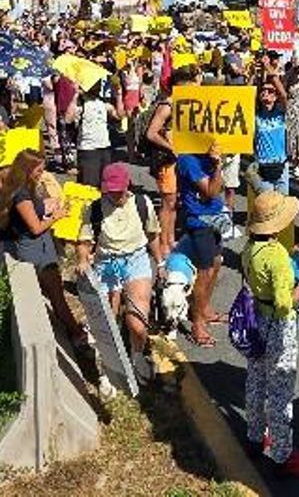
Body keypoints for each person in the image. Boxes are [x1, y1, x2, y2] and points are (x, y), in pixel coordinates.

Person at [242, 191, 299, 478]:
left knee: (256, 379)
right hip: (278, 324)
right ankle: (283, 454)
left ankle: (253, 435)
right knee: (280, 389)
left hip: (258, 319)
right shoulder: (276, 257)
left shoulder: (251, 248)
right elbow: (286, 302)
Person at [0, 149, 89, 350]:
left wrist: (46, 205)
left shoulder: (16, 186)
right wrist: (56, 217)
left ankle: (70, 329)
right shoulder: (22, 195)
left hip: (33, 248)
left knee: (51, 292)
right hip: (37, 250)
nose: (42, 174)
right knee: (57, 296)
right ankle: (76, 334)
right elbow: (35, 228)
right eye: (39, 170)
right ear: (27, 169)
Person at [76, 163, 161, 374]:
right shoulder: (94, 209)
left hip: (136, 261)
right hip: (106, 263)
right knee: (106, 320)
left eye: (117, 190)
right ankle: (108, 365)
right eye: (109, 191)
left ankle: (138, 354)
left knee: (138, 323)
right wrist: (82, 259)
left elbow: (153, 235)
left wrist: (160, 262)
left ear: (127, 185)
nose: (113, 195)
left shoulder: (143, 204)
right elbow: (84, 241)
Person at [177, 139, 228, 347]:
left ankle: (205, 309)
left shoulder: (207, 155)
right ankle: (197, 324)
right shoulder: (187, 159)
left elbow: (221, 187)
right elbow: (211, 191)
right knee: (204, 271)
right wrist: (217, 166)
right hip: (199, 220)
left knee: (216, 263)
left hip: (216, 216)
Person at [146, 66, 198, 258]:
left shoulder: (182, 103)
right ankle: (162, 243)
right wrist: (171, 147)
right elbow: (151, 133)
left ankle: (169, 240)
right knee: (167, 203)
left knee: (174, 201)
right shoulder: (167, 105)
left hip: (178, 160)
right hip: (166, 161)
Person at [67, 80, 121, 188]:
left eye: (98, 84)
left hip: (105, 147)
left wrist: (119, 95)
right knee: (89, 188)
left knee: (106, 185)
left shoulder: (103, 103)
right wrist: (74, 95)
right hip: (88, 150)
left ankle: (101, 204)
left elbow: (119, 115)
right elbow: (68, 119)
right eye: (94, 84)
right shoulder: (80, 103)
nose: (97, 86)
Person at [251, 68, 290, 195]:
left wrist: (268, 68)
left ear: (275, 96)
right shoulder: (255, 115)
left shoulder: (281, 113)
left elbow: (284, 95)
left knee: (282, 206)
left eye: (271, 91)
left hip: (281, 166)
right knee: (267, 207)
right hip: (262, 167)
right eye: (263, 90)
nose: (266, 93)